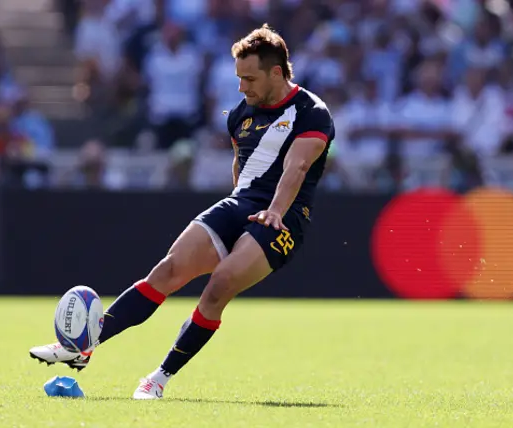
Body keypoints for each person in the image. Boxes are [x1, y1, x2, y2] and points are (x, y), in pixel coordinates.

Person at [29, 24, 335, 400]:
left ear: (277, 72)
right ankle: (82, 346)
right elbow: (242, 166)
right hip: (240, 204)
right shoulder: (241, 114)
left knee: (219, 284)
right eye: (239, 78)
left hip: (283, 218)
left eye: (249, 78)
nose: (242, 87)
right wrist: (236, 208)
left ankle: (158, 378)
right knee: (168, 270)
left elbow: (296, 169)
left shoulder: (311, 112)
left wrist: (274, 211)